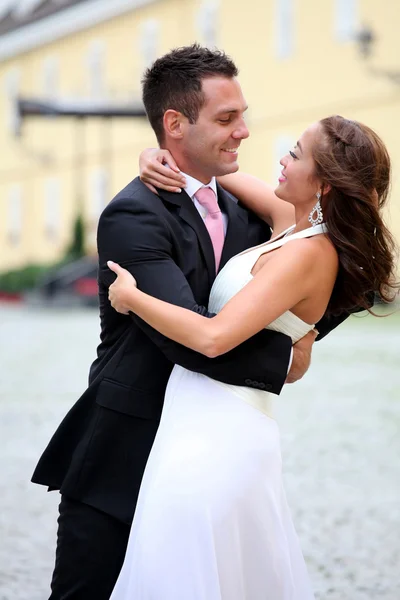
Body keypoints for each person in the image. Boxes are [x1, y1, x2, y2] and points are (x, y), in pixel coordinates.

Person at [31, 44, 322, 600]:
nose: (244, 132)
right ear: (174, 123)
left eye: (242, 115)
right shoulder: (134, 213)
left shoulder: (249, 216)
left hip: (208, 461)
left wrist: (304, 332)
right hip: (126, 453)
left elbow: (298, 283)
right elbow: (189, 339)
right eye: (226, 119)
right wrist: (286, 359)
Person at [107, 114, 397, 600]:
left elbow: (215, 337)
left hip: (222, 433)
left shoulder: (310, 254)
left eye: (296, 154)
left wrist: (133, 299)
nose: (281, 161)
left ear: (323, 184)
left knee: (178, 570)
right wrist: (155, 158)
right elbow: (208, 171)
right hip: (197, 418)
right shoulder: (291, 225)